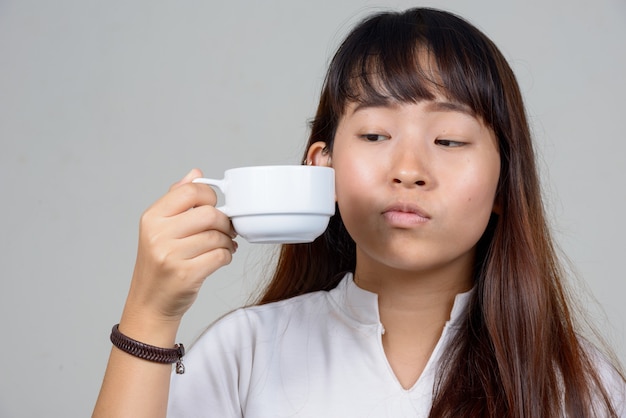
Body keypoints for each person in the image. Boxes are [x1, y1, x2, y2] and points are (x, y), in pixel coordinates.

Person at [93, 7, 626, 417]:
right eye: (374, 134)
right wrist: (151, 314)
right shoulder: (246, 352)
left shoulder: (578, 386)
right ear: (321, 170)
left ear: (505, 182)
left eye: (449, 139)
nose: (409, 168)